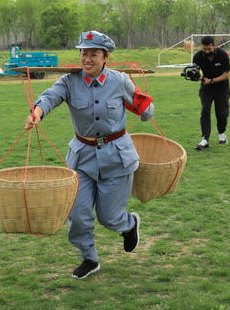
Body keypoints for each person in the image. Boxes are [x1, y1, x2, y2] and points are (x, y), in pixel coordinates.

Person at [25, 30, 154, 279]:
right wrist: (37, 113)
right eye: (84, 53)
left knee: (109, 218)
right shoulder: (68, 82)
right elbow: (50, 97)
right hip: (82, 158)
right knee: (78, 215)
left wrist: (146, 110)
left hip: (117, 157)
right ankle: (89, 258)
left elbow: (141, 104)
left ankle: (128, 224)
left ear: (105, 57)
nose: (87, 59)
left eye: (93, 54)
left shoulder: (120, 81)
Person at [192, 36, 230, 150]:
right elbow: (196, 72)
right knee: (205, 110)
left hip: (222, 87)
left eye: (209, 49)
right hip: (206, 87)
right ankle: (205, 139)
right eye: (204, 49)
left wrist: (212, 80)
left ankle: (221, 133)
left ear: (214, 46)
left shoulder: (222, 54)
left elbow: (226, 74)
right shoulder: (198, 56)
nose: (207, 51)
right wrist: (197, 77)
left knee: (222, 113)